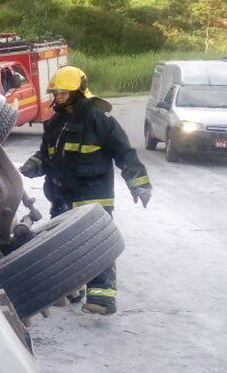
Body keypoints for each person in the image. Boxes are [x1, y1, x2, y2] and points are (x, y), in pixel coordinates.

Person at [18, 66, 152, 316]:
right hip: (62, 198)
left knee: (95, 245)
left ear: (78, 91)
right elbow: (47, 154)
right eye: (55, 93)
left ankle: (103, 298)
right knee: (63, 246)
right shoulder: (55, 123)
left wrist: (139, 183)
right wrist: (34, 165)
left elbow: (124, 152)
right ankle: (72, 289)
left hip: (93, 198)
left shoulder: (99, 119)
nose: (57, 98)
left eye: (62, 93)